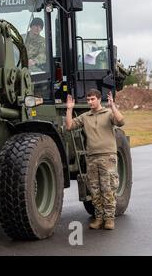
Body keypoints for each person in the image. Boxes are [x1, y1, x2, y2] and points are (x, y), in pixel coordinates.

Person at [65, 89, 125, 230]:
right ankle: (99, 218)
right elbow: (69, 126)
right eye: (88, 100)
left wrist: (113, 106)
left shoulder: (108, 114)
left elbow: (121, 121)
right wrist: (69, 109)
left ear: (99, 99)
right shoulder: (85, 117)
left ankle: (109, 219)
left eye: (92, 99)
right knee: (95, 190)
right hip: (92, 157)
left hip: (107, 157)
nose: (90, 102)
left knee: (108, 188)